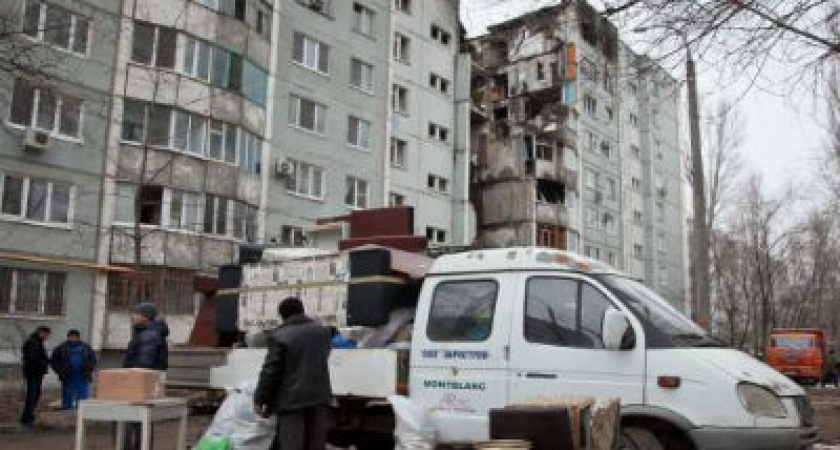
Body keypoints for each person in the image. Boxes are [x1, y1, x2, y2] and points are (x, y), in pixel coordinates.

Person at [254, 297, 332, 450]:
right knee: (316, 444)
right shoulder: (323, 332)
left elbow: (271, 371)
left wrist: (260, 398)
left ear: (282, 315)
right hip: (319, 397)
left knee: (292, 444)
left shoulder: (279, 336)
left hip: (292, 401)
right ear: (302, 310)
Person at [122, 303, 169, 450]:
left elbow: (142, 365)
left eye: (135, 314)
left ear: (144, 316)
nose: (132, 316)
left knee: (134, 423)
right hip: (144, 386)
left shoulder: (148, 335)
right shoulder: (148, 332)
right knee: (142, 424)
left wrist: (128, 383)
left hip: (138, 386)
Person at [50, 329, 97, 410]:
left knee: (83, 396)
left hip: (83, 376)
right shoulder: (61, 348)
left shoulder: (86, 347)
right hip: (67, 376)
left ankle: (82, 412)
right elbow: (53, 361)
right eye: (71, 337)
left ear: (78, 338)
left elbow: (93, 360)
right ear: (67, 337)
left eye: (75, 337)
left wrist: (89, 369)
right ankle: (66, 411)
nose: (72, 339)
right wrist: (60, 371)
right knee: (67, 395)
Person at [20, 326, 51, 429]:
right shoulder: (33, 342)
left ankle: (28, 416)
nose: (47, 336)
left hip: (35, 373)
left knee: (34, 395)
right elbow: (33, 358)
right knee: (32, 396)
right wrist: (43, 363)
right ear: (41, 332)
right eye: (46, 334)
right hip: (34, 373)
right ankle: (27, 418)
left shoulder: (36, 341)